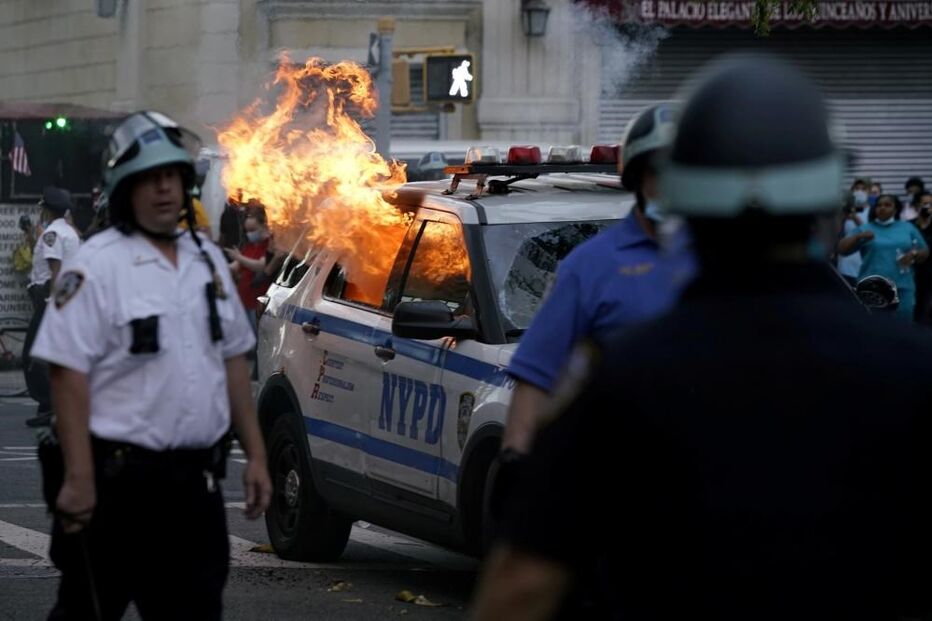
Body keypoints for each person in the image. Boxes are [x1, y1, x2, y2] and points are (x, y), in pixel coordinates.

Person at [471, 54, 932, 621]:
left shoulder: (625, 384)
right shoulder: (911, 374)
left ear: (688, 196)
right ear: (828, 198)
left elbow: (520, 588)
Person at [30, 111, 272, 620]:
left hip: (195, 492)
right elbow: (66, 374)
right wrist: (78, 476)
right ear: (124, 188)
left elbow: (232, 362)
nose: (164, 189)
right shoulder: (94, 265)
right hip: (115, 491)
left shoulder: (207, 262)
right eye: (149, 179)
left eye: (172, 177)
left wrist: (255, 455)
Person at [497, 103, 693, 462]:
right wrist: (515, 461)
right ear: (637, 178)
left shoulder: (730, 263)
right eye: (660, 173)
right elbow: (535, 378)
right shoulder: (590, 268)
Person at [23, 186, 81, 428]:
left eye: (42, 208)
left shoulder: (52, 234)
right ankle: (51, 405)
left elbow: (55, 272)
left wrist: (53, 306)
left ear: (47, 210)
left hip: (50, 299)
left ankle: (49, 404)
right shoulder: (70, 232)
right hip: (65, 299)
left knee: (32, 355)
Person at [837, 193, 928, 319]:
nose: (882, 208)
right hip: (873, 289)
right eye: (879, 205)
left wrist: (914, 253)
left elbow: (924, 251)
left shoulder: (907, 227)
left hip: (903, 286)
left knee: (904, 329)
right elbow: (842, 249)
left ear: (895, 209)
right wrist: (858, 237)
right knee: (875, 331)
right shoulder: (866, 229)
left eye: (887, 205)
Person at [224, 205, 271, 331]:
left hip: (257, 305)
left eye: (253, 230)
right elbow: (235, 267)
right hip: (244, 302)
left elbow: (261, 266)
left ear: (264, 226)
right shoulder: (249, 246)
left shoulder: (269, 245)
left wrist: (239, 258)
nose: (250, 234)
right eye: (248, 231)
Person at [911, 191, 932, 322]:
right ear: (917, 206)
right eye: (925, 204)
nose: (928, 207)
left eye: (931, 204)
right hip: (911, 274)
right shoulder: (909, 226)